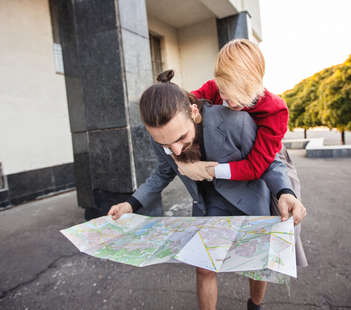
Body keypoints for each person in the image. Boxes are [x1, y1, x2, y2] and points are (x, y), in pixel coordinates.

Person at [108, 71, 307, 310]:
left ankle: (255, 305)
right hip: (208, 203)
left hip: (249, 198)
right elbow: (163, 172)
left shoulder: (236, 121)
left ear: (193, 112)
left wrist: (285, 192)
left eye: (182, 138)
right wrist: (130, 204)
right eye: (166, 145)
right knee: (204, 267)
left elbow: (269, 161)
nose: (177, 151)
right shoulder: (161, 134)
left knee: (257, 264)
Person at [176, 39, 291, 189]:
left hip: (269, 163)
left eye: (240, 94)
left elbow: (255, 167)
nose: (232, 103)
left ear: (256, 83)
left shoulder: (275, 110)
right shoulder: (213, 87)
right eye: (224, 91)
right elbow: (179, 108)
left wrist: (204, 170)